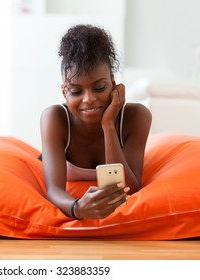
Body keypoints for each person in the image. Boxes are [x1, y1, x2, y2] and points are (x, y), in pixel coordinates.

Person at [39, 24, 152, 220]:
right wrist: (77, 207)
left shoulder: (137, 117)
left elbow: (131, 188)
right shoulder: (55, 118)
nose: (89, 99)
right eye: (76, 91)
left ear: (113, 84)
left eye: (99, 88)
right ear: (64, 91)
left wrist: (108, 125)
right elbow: (53, 191)